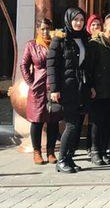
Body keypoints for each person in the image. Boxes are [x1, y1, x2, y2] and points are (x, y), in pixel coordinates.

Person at [47, 7, 92, 173]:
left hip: (80, 87)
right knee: (71, 124)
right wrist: (54, 88)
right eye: (75, 19)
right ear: (68, 20)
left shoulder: (83, 38)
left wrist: (90, 86)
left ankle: (68, 158)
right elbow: (51, 65)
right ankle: (61, 160)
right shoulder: (60, 38)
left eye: (81, 20)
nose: (78, 23)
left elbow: (86, 64)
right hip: (66, 88)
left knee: (77, 124)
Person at [20, 18, 61, 165]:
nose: (45, 32)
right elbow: (24, 65)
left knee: (53, 120)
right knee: (37, 121)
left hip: (54, 88)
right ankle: (37, 151)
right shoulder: (32, 45)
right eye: (42, 29)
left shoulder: (56, 44)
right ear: (37, 29)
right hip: (38, 88)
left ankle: (51, 151)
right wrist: (31, 83)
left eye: (47, 29)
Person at [87, 14, 110, 165]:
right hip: (98, 90)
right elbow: (89, 68)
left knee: (109, 121)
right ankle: (95, 151)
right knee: (97, 122)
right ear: (105, 26)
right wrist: (91, 86)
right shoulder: (95, 44)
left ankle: (104, 151)